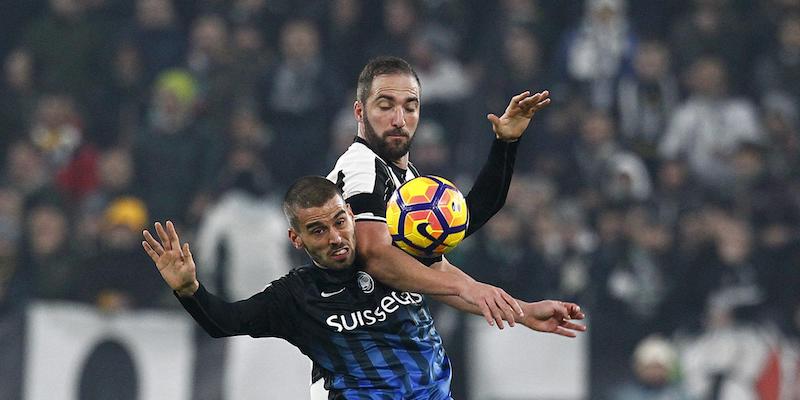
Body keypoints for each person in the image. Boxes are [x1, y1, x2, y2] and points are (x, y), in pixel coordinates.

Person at [142, 176, 586, 399]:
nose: (335, 237)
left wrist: (526, 313)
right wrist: (189, 289)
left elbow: (470, 228)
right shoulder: (293, 296)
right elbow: (224, 323)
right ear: (296, 239)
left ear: (352, 216)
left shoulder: (393, 253)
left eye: (340, 221)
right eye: (317, 231)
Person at [327, 56, 551, 327]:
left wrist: (506, 142)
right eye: (385, 106)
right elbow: (376, 255)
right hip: (361, 352)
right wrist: (466, 288)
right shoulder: (362, 167)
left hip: (394, 349)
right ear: (360, 112)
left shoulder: (405, 178)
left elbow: (453, 239)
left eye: (410, 108)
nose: (399, 119)